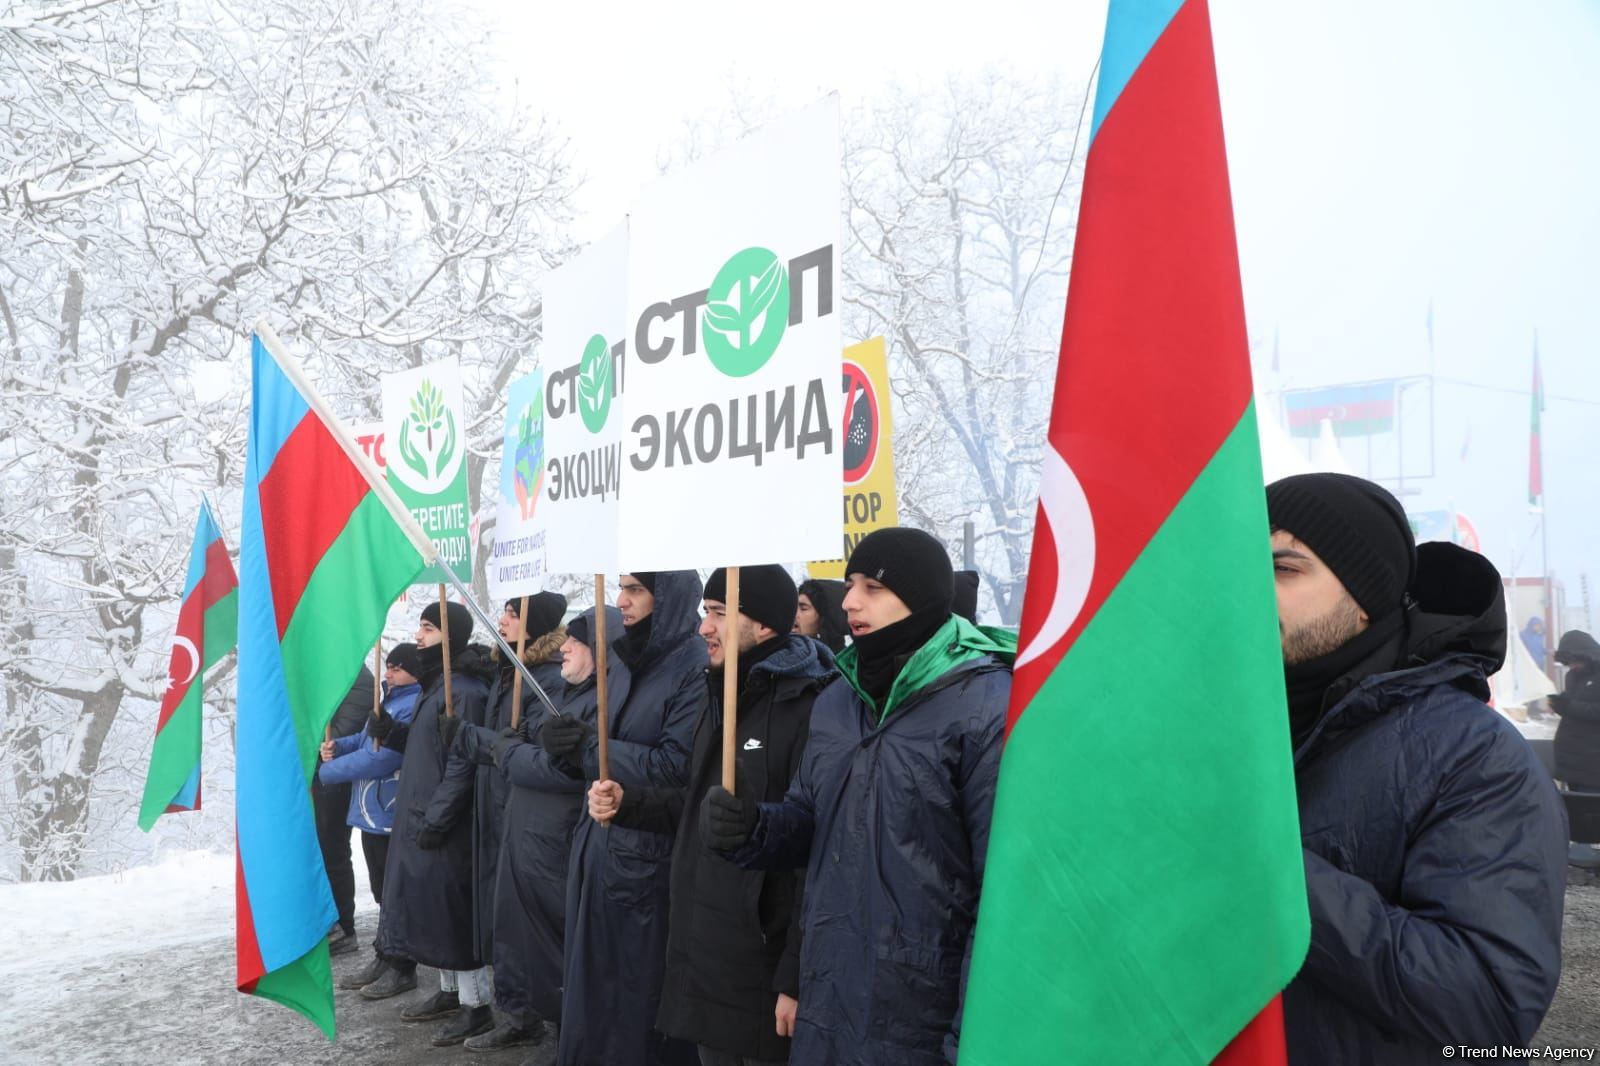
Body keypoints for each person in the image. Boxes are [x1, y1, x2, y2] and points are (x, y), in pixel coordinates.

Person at [1265, 472, 1566, 1061]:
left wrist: (1267, 872)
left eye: (1283, 568)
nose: (1250, 590)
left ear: (1365, 600)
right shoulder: (1226, 733)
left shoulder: (1472, 755)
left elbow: (1486, 1004)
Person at [705, 528, 1015, 1065]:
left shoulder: (985, 706)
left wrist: (972, 1036)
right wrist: (753, 829)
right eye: (850, 584)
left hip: (922, 1011)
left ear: (919, 598)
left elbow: (1003, 893)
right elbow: (809, 820)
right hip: (830, 991)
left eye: (873, 587)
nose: (849, 601)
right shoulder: (838, 700)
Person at [589, 564, 835, 1066]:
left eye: (720, 613)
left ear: (763, 623)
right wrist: (629, 804)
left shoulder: (811, 706)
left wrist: (794, 974)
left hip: (763, 965)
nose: (704, 627)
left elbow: (819, 854)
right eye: (705, 612)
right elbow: (701, 807)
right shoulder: (720, 692)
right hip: (707, 952)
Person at [552, 571, 706, 1066]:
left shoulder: (694, 666)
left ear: (668, 597)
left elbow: (675, 766)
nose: (621, 600)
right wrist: (565, 748)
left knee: (637, 1004)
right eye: (620, 588)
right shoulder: (623, 660)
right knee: (595, 993)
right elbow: (603, 747)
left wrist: (590, 748)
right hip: (599, 847)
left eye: (636, 590)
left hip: (649, 860)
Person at [487, 605, 625, 1057]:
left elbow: (564, 769)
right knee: (530, 942)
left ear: (602, 651)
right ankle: (549, 1028)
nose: (565, 647)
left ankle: (569, 1037)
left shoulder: (603, 700)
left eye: (578, 641)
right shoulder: (567, 693)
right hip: (531, 837)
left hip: (559, 841)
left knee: (561, 947)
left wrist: (509, 754)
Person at [365, 600, 497, 1047]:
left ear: (450, 635)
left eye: (427, 628)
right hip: (424, 813)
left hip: (449, 822)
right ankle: (449, 991)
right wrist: (392, 732)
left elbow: (463, 763)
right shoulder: (438, 684)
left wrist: (438, 818)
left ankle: (476, 1006)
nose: (418, 637)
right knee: (434, 911)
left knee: (455, 913)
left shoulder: (464, 691)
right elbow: (430, 747)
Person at [442, 591, 568, 1053]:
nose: (503, 620)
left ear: (535, 623)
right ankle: (517, 1014)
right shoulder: (509, 670)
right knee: (506, 923)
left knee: (533, 927)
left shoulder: (545, 677)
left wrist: (469, 737)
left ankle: (549, 1024)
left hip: (528, 813)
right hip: (497, 807)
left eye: (513, 614)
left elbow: (527, 750)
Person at [320, 643, 422, 992]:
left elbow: (382, 758)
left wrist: (328, 771)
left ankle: (402, 966)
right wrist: (339, 746)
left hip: (391, 811)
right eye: (388, 666)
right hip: (372, 812)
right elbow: (365, 740)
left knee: (394, 891)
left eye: (397, 668)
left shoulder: (410, 704)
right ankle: (385, 953)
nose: (388, 672)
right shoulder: (388, 700)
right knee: (381, 889)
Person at [313, 663, 376, 956]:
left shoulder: (357, 679)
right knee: (317, 850)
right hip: (316, 777)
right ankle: (323, 923)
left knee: (332, 850)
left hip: (335, 780)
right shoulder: (326, 673)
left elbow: (339, 735)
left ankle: (343, 928)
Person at [1552, 629, 1600, 790]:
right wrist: (1560, 704)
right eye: (1568, 662)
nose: (1572, 666)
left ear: (1585, 655)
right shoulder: (1572, 676)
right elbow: (1573, 704)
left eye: (1575, 661)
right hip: (1572, 762)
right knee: (1575, 802)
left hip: (1594, 764)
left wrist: (1570, 707)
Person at [793, 577, 847, 654]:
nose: (794, 614)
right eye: (794, 607)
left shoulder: (845, 660)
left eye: (803, 608)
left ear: (823, 620)